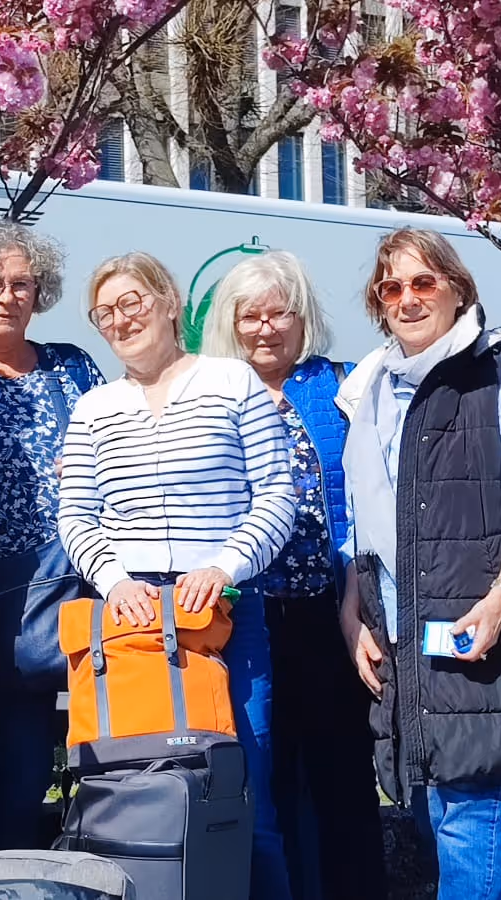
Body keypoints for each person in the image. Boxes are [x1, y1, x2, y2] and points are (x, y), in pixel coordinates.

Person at [336, 228, 501, 900]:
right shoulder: (370, 390)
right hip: (401, 633)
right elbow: (365, 521)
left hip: (486, 627)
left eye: (425, 283)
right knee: (435, 812)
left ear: (458, 289)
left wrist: (500, 596)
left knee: (474, 813)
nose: (409, 299)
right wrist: (352, 609)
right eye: (393, 287)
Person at [56, 252, 295, 900]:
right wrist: (114, 580)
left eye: (132, 301)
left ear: (168, 301)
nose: (120, 319)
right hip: (131, 627)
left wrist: (224, 566)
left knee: (245, 788)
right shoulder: (94, 409)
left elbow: (278, 494)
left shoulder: (233, 382)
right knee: (136, 789)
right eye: (105, 312)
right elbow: (76, 515)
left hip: (222, 620)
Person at [200, 252, 384, 900]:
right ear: (230, 322)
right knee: (264, 775)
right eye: (251, 315)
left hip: (329, 610)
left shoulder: (339, 385)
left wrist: (359, 595)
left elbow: (368, 495)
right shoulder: (211, 391)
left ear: (303, 318)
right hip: (242, 617)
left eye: (280, 312)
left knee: (342, 774)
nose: (265, 327)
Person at [0, 220, 103, 853]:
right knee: (23, 756)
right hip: (2, 593)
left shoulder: (72, 365)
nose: (6, 296)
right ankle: (1, 874)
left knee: (101, 751)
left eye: (21, 284)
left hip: (87, 576)